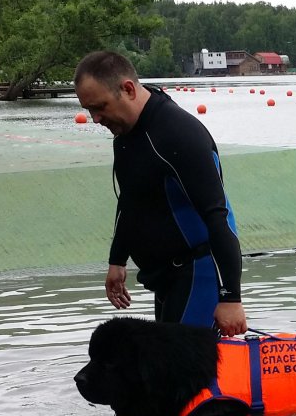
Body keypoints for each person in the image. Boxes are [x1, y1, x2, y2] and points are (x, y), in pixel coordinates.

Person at [74, 50, 247, 337]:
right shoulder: (127, 134)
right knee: (165, 373)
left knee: (177, 378)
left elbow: (218, 216)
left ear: (128, 89)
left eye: (99, 107)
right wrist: (117, 260)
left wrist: (230, 298)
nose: (95, 118)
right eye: (89, 109)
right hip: (166, 279)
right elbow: (129, 199)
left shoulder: (178, 133)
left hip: (198, 276)